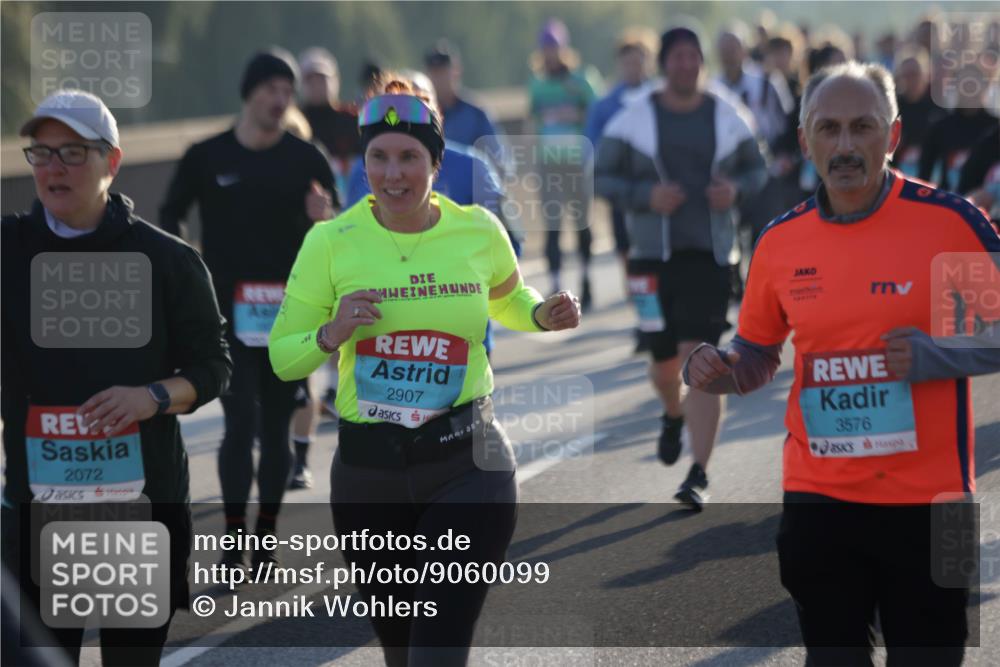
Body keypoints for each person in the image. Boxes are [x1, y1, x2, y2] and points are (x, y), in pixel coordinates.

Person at [685, 61, 1000, 665]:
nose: (846, 145)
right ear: (805, 142)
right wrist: (718, 368)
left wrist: (935, 354)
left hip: (932, 505)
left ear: (894, 135)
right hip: (820, 501)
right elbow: (757, 351)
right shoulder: (781, 242)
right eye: (828, 129)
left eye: (863, 127)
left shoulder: (947, 223)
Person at [268, 76, 581, 666]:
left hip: (469, 466)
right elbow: (284, 356)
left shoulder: (478, 230)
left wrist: (542, 314)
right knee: (400, 651)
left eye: (409, 157)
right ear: (363, 163)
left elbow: (508, 300)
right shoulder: (329, 242)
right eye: (379, 157)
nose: (393, 174)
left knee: (436, 650)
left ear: (436, 162)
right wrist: (332, 332)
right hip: (368, 477)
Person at [1, 90, 231, 665]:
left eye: (73, 152)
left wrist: (150, 397)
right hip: (36, 515)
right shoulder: (7, 251)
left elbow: (213, 367)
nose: (54, 167)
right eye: (42, 153)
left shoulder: (167, 260)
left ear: (113, 161)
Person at [159, 48, 337, 567]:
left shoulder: (307, 158)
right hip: (226, 315)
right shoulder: (207, 155)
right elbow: (170, 214)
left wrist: (323, 216)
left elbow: (340, 232)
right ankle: (235, 537)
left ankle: (266, 533)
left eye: (287, 91)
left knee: (278, 426)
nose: (281, 100)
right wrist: (188, 271)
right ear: (249, 94)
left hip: (289, 315)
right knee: (238, 424)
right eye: (271, 90)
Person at [596, 26, 767, 509]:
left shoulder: (728, 113)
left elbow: (758, 168)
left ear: (702, 61)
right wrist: (645, 196)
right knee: (664, 364)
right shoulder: (633, 118)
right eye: (678, 57)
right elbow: (601, 177)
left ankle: (699, 472)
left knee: (703, 358)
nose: (687, 64)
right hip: (651, 258)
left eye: (694, 56)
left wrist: (735, 191)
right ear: (664, 63)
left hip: (710, 256)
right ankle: (672, 413)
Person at [528, 17, 602, 308]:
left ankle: (586, 278)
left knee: (582, 222)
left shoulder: (582, 80)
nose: (551, 53)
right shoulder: (537, 84)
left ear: (564, 48)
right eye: (546, 48)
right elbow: (533, 121)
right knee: (553, 225)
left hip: (577, 162)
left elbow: (596, 116)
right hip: (549, 164)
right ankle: (556, 283)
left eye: (555, 47)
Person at [424, 39, 507, 176]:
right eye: (435, 73)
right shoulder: (421, 114)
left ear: (456, 71)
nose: (439, 79)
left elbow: (499, 159)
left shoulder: (476, 114)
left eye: (443, 72)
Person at [918, 64, 996, 192]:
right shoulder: (940, 127)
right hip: (948, 200)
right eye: (965, 84)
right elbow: (924, 174)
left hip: (987, 201)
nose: (970, 90)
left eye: (974, 84)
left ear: (985, 86)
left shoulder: (995, 128)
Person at [891, 47, 946, 177]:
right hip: (898, 177)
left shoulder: (938, 108)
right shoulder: (891, 108)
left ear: (927, 74)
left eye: (915, 74)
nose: (911, 79)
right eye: (906, 75)